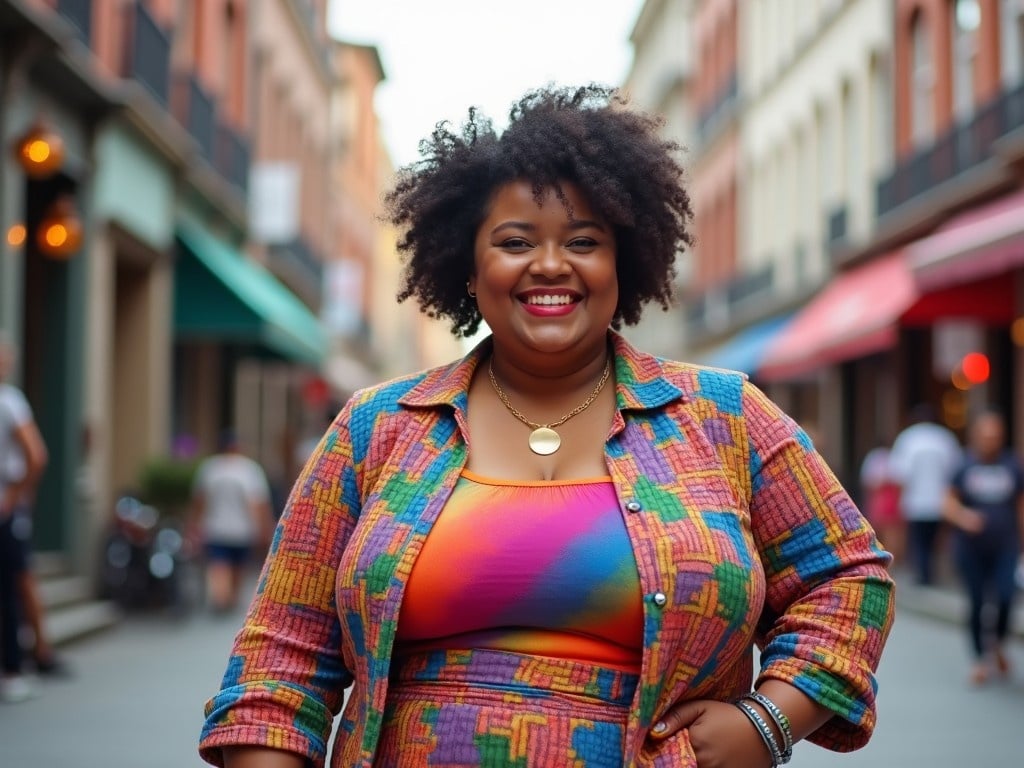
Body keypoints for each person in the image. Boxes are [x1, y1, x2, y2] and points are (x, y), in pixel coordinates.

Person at [199, 85, 894, 768]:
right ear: (470, 269)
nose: (552, 264)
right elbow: (279, 657)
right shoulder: (376, 429)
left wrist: (769, 721)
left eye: (584, 241)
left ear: (623, 261)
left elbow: (848, 579)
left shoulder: (724, 417)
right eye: (515, 240)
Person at [944, 410, 1024, 685]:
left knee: (1005, 597)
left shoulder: (1012, 465)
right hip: (971, 547)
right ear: (976, 436)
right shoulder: (964, 465)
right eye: (986, 434)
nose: (991, 440)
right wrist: (964, 517)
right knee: (977, 601)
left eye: (996, 435)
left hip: (1005, 545)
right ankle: (979, 658)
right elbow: (948, 503)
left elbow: (1020, 504)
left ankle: (998, 644)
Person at [0, 333, 55, 702]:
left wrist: (14, 498)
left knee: (12, 585)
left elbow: (36, 456)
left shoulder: (9, 400)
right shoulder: (9, 400)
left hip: (5, 513)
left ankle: (17, 665)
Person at [189, 430, 273, 614]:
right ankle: (227, 598)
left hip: (215, 527)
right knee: (236, 566)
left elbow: (200, 501)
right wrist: (264, 527)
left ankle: (222, 597)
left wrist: (194, 525)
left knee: (219, 564)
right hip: (242, 529)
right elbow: (258, 503)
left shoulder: (210, 468)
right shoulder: (250, 470)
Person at [889, 403, 963, 585]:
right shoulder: (945, 438)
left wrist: (900, 498)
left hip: (915, 500)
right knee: (933, 539)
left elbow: (899, 473)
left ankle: (923, 573)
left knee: (920, 540)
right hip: (939, 500)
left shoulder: (908, 438)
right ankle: (930, 572)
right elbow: (956, 470)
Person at [859, 440, 905, 565]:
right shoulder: (894, 458)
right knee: (889, 532)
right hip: (885, 498)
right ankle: (888, 560)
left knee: (884, 531)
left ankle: (882, 559)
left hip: (883, 499)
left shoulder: (875, 457)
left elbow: (868, 481)